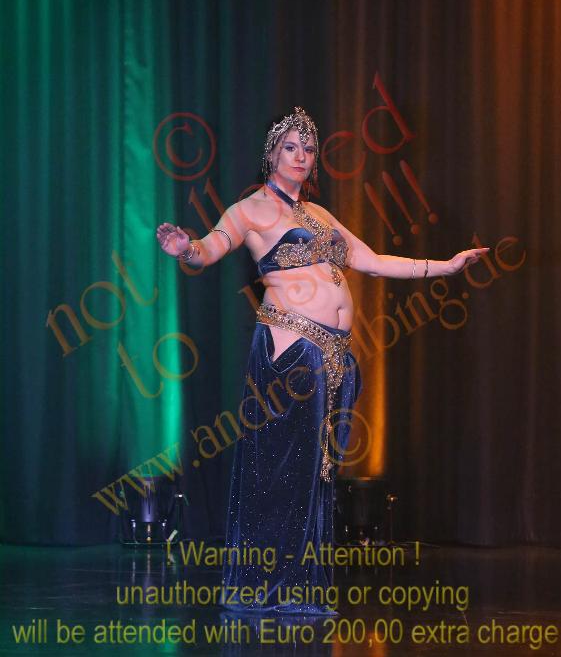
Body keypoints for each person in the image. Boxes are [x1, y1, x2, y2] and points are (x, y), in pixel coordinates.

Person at [156, 106, 489, 616]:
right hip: (291, 348)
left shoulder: (322, 216)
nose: (301, 156)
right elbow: (210, 249)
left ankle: (297, 586)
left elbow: (372, 261)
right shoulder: (249, 210)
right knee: (282, 470)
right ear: (272, 154)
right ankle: (266, 586)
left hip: (333, 354)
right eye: (291, 147)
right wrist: (186, 249)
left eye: (308, 149)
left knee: (313, 473)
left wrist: (445, 266)